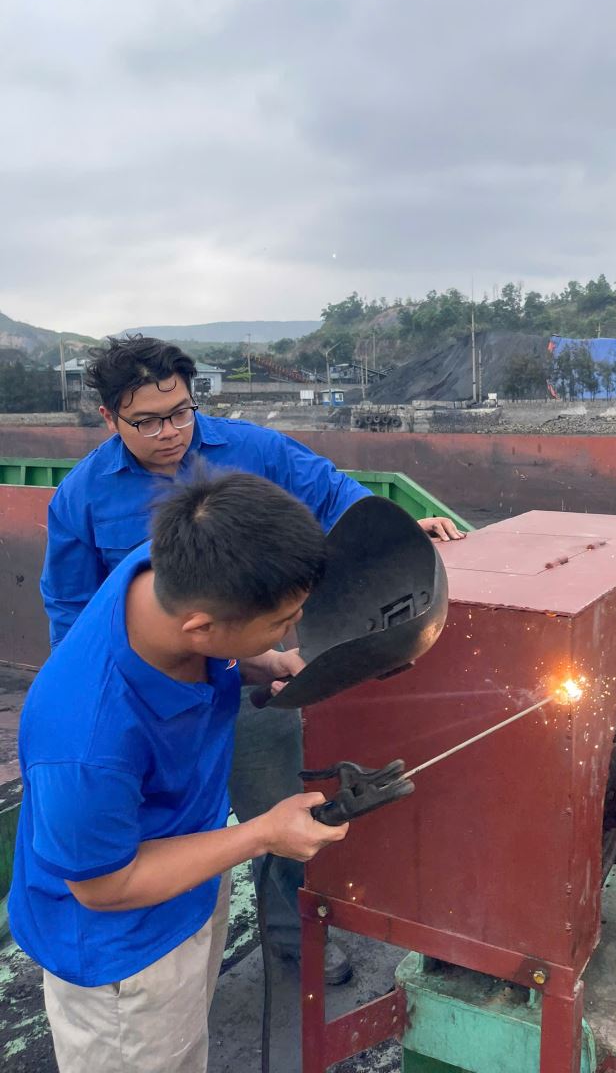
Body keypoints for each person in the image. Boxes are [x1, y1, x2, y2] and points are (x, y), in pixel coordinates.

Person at [39, 334, 465, 983]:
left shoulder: (254, 450)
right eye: (147, 422)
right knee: (172, 825)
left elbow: (333, 495)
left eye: (180, 412)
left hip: (240, 672)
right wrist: (100, 706)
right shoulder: (81, 498)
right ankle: (175, 941)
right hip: (156, 708)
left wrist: (401, 534)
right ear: (107, 417)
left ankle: (291, 937)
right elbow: (72, 614)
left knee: (279, 808)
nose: (170, 433)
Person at [11, 470, 349, 1073]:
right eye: (281, 621)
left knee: (187, 1044)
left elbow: (228, 642)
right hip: (125, 955)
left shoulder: (168, 567)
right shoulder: (85, 740)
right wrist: (263, 834)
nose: (292, 630)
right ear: (200, 627)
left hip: (188, 871)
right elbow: (104, 888)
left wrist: (265, 661)